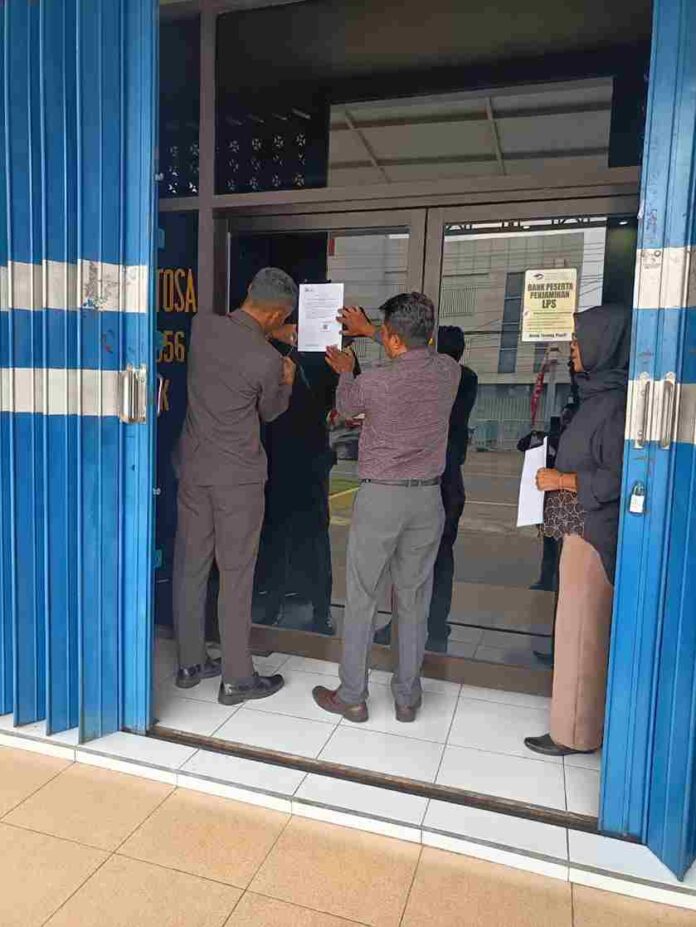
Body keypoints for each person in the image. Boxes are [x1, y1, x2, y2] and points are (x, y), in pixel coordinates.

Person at [312, 293, 460, 723]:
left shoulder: (374, 382)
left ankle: (352, 696)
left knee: (363, 596)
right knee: (413, 599)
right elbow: (411, 347)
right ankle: (407, 698)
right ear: (429, 335)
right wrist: (373, 331)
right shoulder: (448, 372)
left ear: (393, 339)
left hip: (381, 498)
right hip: (427, 499)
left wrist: (345, 370)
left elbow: (345, 407)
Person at [172, 267, 297, 706]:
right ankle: (238, 678)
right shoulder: (267, 360)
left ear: (248, 291)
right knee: (236, 575)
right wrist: (286, 382)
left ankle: (190, 664)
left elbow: (238, 336)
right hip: (238, 481)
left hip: (194, 470)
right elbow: (270, 412)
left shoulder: (201, 328)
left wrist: (270, 331)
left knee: (190, 567)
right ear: (278, 315)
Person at [524, 302, 630, 757]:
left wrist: (562, 480)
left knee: (581, 631)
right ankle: (571, 725)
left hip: (591, 532)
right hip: (576, 527)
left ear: (603, 343)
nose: (572, 347)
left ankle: (575, 734)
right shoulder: (596, 396)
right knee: (573, 629)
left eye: (579, 339)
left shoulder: (616, 405)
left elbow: (617, 477)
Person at [253, 337, 338, 636]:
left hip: (305, 462)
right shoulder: (271, 352)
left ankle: (319, 610)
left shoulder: (322, 357)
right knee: (282, 539)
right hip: (283, 460)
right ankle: (280, 605)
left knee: (310, 541)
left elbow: (337, 396)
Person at [426, 326, 478, 652]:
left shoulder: (448, 379)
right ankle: (435, 624)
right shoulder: (467, 378)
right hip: (450, 480)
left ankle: (419, 622)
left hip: (437, 478)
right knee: (441, 556)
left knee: (420, 556)